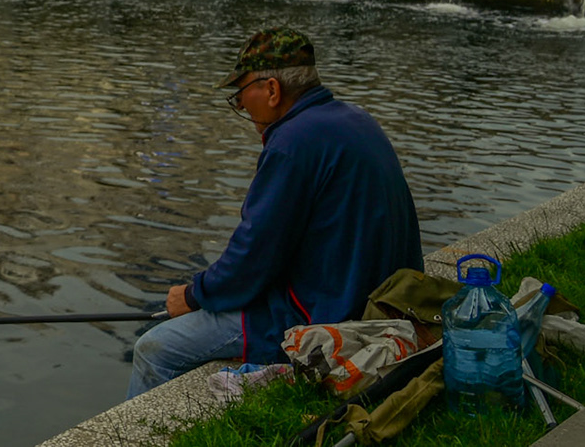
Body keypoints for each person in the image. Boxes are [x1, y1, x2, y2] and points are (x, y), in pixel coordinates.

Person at [128, 29, 422, 399]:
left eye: (241, 92)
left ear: (271, 90)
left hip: (327, 314)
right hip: (381, 301)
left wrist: (193, 294)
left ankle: (145, 429)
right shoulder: (356, 119)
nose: (240, 104)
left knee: (155, 349)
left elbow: (253, 256)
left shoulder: (293, 143)